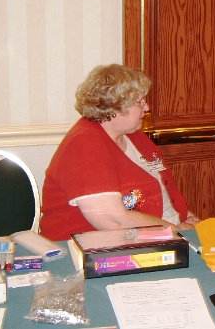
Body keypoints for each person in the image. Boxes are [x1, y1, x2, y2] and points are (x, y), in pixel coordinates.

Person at [40, 64, 199, 241]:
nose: (147, 108)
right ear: (114, 108)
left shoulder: (135, 138)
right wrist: (176, 229)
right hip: (87, 252)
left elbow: (162, 189)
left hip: (154, 239)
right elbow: (112, 221)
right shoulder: (84, 145)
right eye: (140, 102)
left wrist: (186, 216)